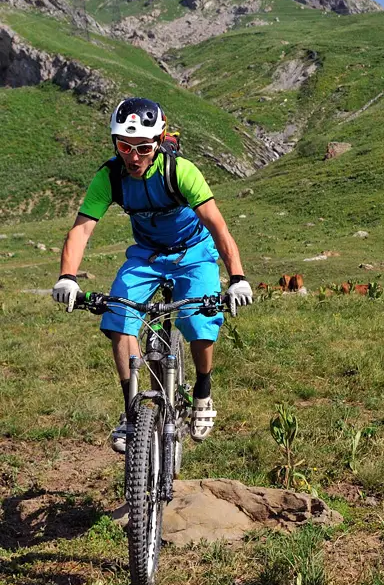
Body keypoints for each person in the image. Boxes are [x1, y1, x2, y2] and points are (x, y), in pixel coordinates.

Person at [52, 97, 253, 452]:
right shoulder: (111, 176)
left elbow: (217, 225)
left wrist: (237, 278)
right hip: (146, 256)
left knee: (198, 320)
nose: (133, 156)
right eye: (124, 146)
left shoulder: (180, 171)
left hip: (193, 252)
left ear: (159, 142)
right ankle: (131, 413)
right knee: (118, 318)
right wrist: (68, 276)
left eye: (143, 148)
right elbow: (81, 230)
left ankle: (203, 392)